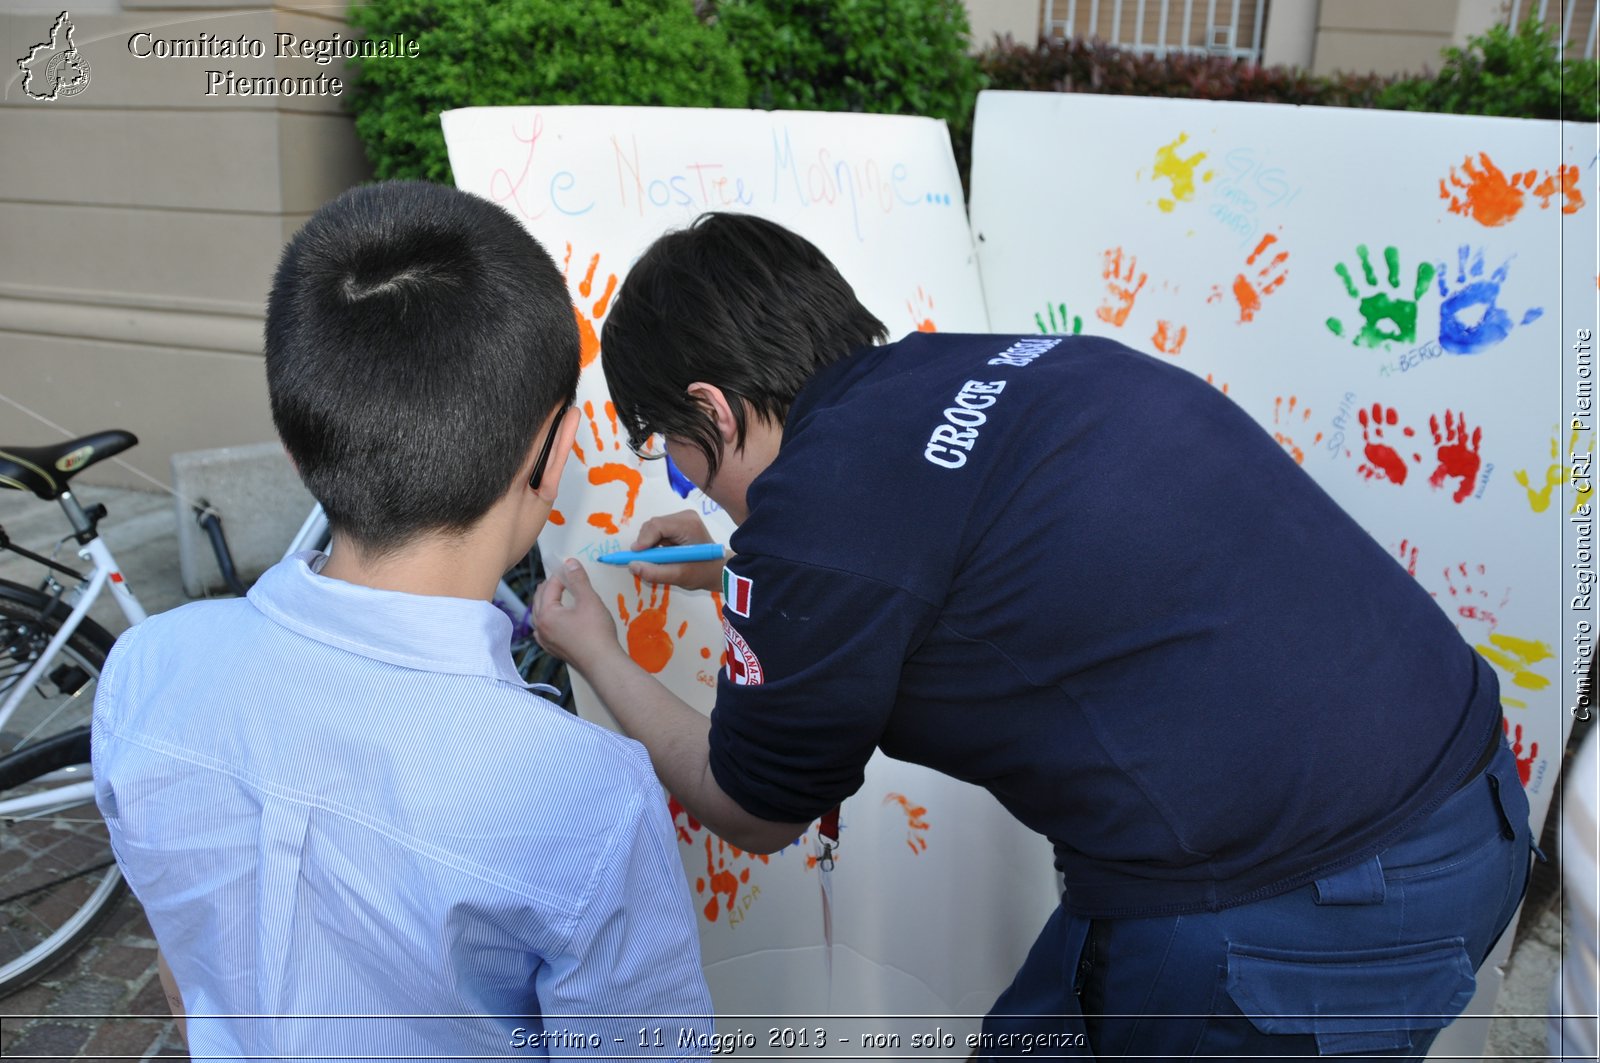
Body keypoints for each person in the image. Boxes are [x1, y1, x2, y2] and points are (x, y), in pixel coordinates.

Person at [533, 211, 1535, 1059]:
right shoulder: (983, 369)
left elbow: (752, 808)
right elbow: (956, 556)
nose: (691, 488)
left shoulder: (827, 524)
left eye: (676, 459)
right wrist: (735, 569)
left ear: (713, 406)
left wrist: (600, 654)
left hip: (1305, 905)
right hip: (1465, 801)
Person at [92, 181, 712, 1060]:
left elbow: (181, 964)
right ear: (557, 451)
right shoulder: (586, 796)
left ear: (296, 432)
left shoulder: (148, 669)